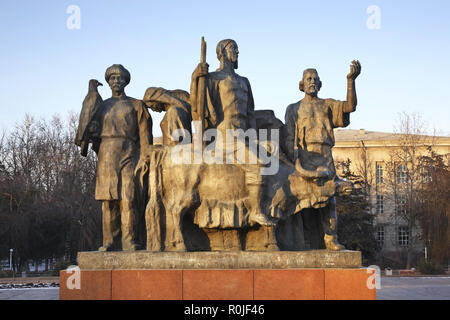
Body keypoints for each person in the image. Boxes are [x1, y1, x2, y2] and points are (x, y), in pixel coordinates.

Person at [190, 39, 273, 227]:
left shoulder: (244, 81)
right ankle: (255, 212)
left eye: (236, 48)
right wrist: (196, 77)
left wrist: (254, 138)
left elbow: (250, 111)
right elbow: (197, 104)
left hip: (244, 133)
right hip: (226, 134)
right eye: (232, 48)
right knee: (257, 164)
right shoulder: (212, 78)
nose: (237, 51)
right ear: (221, 52)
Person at [284, 61, 361, 250]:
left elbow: (350, 106)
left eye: (315, 79)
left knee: (329, 200)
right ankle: (306, 241)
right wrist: (294, 159)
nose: (312, 82)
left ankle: (330, 239)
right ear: (301, 84)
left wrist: (351, 81)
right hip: (304, 157)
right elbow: (288, 137)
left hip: (325, 156)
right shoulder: (293, 109)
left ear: (320, 84)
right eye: (308, 79)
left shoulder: (327, 105)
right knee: (303, 201)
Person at [89, 64, 153, 251]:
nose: (116, 81)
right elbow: (91, 132)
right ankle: (109, 241)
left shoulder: (136, 105)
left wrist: (145, 158)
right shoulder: (100, 106)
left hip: (129, 152)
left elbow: (145, 135)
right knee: (108, 201)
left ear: (126, 81)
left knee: (129, 197)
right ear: (108, 82)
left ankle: (129, 240)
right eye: (112, 78)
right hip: (107, 154)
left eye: (120, 78)